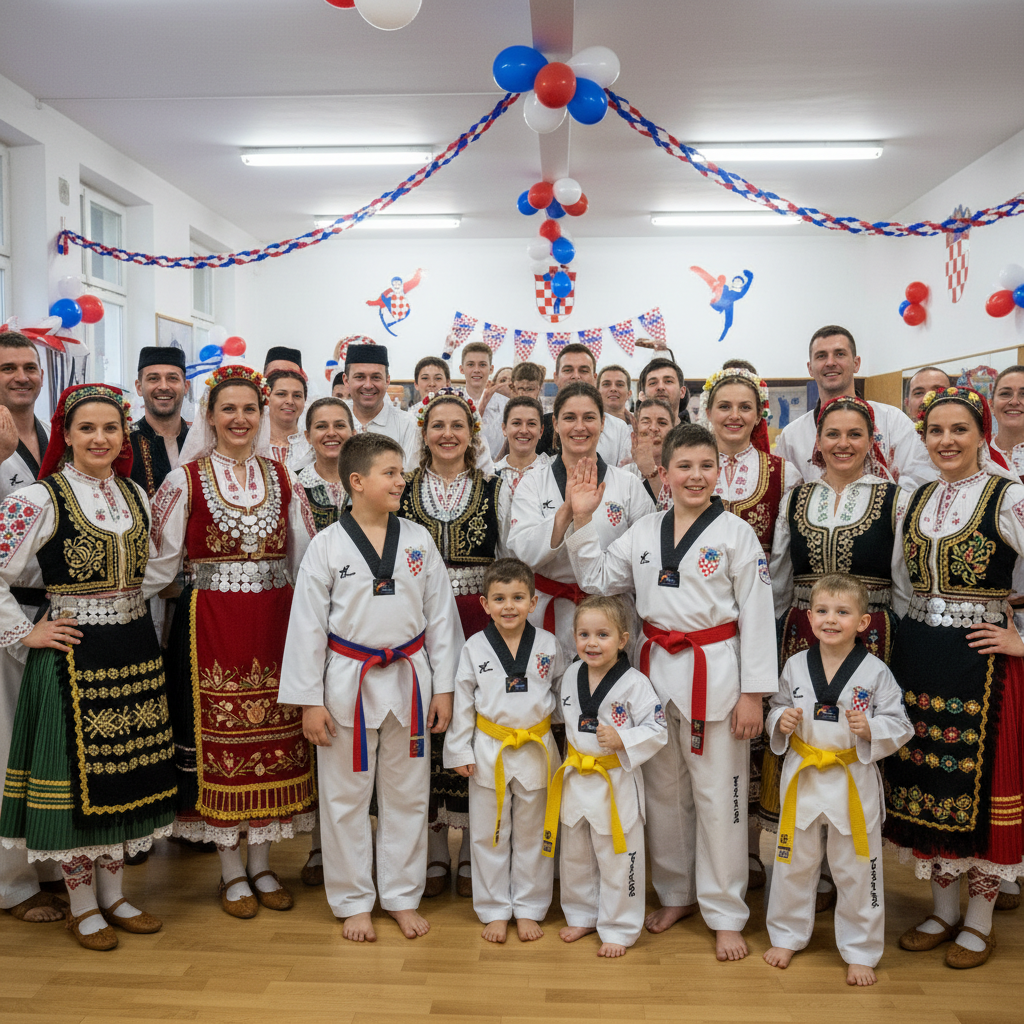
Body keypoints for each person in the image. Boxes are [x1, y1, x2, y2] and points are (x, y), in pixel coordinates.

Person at [565, 423, 777, 962]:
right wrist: (584, 519)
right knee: (663, 794)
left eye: (706, 466)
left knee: (720, 797)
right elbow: (596, 579)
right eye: (684, 466)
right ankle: (678, 893)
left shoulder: (736, 534)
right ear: (664, 473)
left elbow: (757, 616)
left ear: (719, 472)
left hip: (716, 674)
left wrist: (754, 693)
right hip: (654, 675)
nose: (695, 476)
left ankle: (726, 913)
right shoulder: (644, 531)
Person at [0, 383, 178, 949]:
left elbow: (149, 570)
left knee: (123, 777)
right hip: (72, 659)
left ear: (124, 435)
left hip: (132, 649)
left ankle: (116, 896)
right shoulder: (37, 498)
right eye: (87, 428)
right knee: (78, 784)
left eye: (110, 428)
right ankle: (82, 906)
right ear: (68, 435)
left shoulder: (135, 493)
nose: (99, 438)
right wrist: (26, 631)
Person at [146, 365, 316, 919]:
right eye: (228, 409)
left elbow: (305, 559)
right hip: (211, 624)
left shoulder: (284, 477)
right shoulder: (184, 481)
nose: (239, 419)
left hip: (275, 623)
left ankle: (262, 863)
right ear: (210, 416)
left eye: (249, 409)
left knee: (274, 737)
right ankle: (230, 870)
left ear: (261, 416)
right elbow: (158, 565)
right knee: (220, 741)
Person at [278, 432, 463, 941]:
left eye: (402, 473)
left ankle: (401, 896)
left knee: (409, 796)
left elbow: (441, 619)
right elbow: (307, 627)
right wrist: (309, 702)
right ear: (356, 482)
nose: (401, 481)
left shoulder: (419, 540)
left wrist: (444, 688)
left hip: (409, 680)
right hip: (347, 686)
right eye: (390, 473)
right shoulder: (327, 545)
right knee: (345, 799)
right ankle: (354, 900)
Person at [886, 386, 1024, 968]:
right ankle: (942, 911)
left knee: (981, 788)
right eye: (935, 430)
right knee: (930, 782)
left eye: (959, 429)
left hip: (983, 663)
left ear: (981, 433)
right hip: (920, 657)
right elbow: (901, 580)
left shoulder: (1009, 495)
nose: (946, 441)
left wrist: (1021, 640)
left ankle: (980, 921)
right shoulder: (916, 498)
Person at [761, 396, 909, 907]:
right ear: (817, 442)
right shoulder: (797, 498)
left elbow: (902, 578)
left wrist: (898, 639)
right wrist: (773, 634)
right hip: (802, 633)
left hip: (871, 635)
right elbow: (781, 573)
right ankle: (811, 873)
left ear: (871, 441)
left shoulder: (894, 499)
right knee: (803, 738)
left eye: (854, 434)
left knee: (856, 739)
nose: (843, 444)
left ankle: (853, 869)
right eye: (833, 434)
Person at [763, 573, 912, 986]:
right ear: (809, 617)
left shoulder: (876, 672)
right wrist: (781, 720)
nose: (831, 619)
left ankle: (861, 949)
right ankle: (787, 935)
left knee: (857, 868)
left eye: (843, 612)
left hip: (851, 778)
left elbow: (901, 724)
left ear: (862, 622)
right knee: (793, 862)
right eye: (823, 611)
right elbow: (776, 706)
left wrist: (872, 729)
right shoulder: (795, 665)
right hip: (805, 776)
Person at [399, 388, 505, 899]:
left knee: (474, 725)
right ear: (423, 434)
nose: (447, 434)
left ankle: (473, 848)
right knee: (428, 724)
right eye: (437, 425)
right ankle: (436, 848)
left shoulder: (494, 488)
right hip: (417, 621)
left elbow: (509, 555)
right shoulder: (403, 487)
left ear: (472, 433)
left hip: (479, 620)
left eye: (457, 425)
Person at [701, 365, 800, 887]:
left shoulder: (782, 472)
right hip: (701, 619)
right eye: (725, 406)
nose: (734, 415)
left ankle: (752, 849)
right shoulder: (691, 462)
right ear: (708, 411)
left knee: (754, 734)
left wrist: (762, 616)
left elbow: (781, 554)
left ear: (761, 413)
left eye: (745, 407)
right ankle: (712, 852)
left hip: (761, 617)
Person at [443, 558, 565, 943]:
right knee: (488, 835)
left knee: (533, 835)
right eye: (499, 598)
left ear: (533, 602)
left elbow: (564, 694)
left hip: (536, 748)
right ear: (484, 604)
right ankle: (494, 908)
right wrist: (460, 750)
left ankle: (529, 907)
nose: (509, 606)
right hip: (489, 750)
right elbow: (464, 701)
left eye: (517, 597)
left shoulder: (549, 645)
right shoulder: (474, 647)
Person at [543, 596, 666, 957]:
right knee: (576, 855)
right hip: (576, 777)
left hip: (615, 782)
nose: (592, 643)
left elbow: (658, 729)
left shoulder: (635, 683)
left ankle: (619, 927)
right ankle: (581, 915)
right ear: (574, 637)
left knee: (618, 857)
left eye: (602, 635)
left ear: (623, 640)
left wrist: (623, 739)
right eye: (584, 635)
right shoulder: (570, 676)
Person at [508, 382, 654, 661]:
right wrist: (567, 510)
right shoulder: (533, 482)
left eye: (589, 417)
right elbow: (523, 552)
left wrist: (603, 583)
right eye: (569, 418)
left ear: (602, 423)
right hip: (552, 612)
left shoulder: (628, 484)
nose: (579, 427)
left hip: (612, 615)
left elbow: (645, 554)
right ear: (555, 424)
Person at [0, 331, 65, 926]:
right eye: (8, 368)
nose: (22, 376)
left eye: (30, 367)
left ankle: (45, 865)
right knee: (5, 749)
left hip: (49, 609)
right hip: (7, 611)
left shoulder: (50, 436)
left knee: (40, 746)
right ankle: (11, 883)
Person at [774, 325, 936, 490]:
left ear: (856, 363)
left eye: (840, 354)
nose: (830, 362)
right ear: (810, 368)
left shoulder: (892, 420)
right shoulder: (792, 436)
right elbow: (786, 493)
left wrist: (882, 502)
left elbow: (918, 479)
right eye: (821, 356)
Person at [536, 346, 632, 466]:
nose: (576, 376)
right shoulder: (539, 426)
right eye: (568, 370)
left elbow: (624, 472)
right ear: (556, 377)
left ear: (595, 378)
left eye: (584, 371)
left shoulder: (618, 428)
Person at [343, 339, 420, 463]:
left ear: (387, 380)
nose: (368, 385)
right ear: (346, 380)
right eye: (360, 377)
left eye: (376, 377)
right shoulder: (333, 420)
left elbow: (409, 472)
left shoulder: (406, 425)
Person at [129, 346, 190, 498]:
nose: (163, 386)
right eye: (153, 379)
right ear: (139, 387)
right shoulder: (124, 443)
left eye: (172, 378)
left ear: (186, 386)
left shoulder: (201, 440)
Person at [297, 397, 354, 532]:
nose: (331, 433)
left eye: (340, 425)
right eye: (321, 426)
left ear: (353, 433)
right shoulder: (294, 483)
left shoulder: (369, 480)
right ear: (308, 436)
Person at [459, 342, 508, 459]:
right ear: (462, 369)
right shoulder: (453, 402)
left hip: (498, 466)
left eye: (482, 365)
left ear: (491, 369)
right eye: (470, 364)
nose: (476, 370)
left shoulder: (506, 404)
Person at [627, 398, 676, 511]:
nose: (653, 428)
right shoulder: (622, 475)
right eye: (646, 422)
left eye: (662, 423)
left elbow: (676, 515)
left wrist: (651, 472)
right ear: (634, 434)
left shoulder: (682, 473)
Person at [493, 396, 550, 492]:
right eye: (516, 423)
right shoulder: (491, 475)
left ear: (541, 431)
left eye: (531, 424)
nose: (524, 430)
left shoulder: (553, 471)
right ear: (504, 429)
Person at [266, 368, 309, 468]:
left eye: (297, 396)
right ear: (267, 398)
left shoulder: (312, 446)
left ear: (304, 401)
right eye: (281, 394)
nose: (290, 401)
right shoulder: (252, 443)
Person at [990, 365, 1024, 479]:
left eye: (1023, 394)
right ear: (991, 405)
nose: (1014, 402)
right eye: (1005, 394)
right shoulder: (975, 454)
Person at [638, 356, 690, 425]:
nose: (661, 387)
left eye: (668, 381)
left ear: (682, 392)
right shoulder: (630, 430)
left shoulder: (693, 432)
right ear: (643, 394)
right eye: (653, 383)